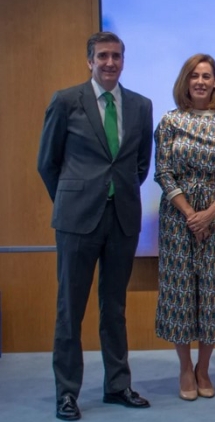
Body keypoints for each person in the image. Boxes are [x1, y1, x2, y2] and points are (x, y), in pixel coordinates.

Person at [38, 31, 153, 420]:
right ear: (90, 60)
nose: (110, 63)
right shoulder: (66, 100)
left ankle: (117, 386)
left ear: (123, 60)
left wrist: (112, 193)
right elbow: (47, 163)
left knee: (115, 307)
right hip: (76, 221)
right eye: (102, 56)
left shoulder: (140, 105)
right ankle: (67, 393)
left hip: (121, 218)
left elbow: (139, 164)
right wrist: (74, 199)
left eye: (116, 56)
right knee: (70, 310)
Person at [154, 54, 215, 401]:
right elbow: (162, 171)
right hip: (178, 217)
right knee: (180, 293)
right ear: (186, 81)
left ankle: (204, 367)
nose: (202, 82)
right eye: (195, 76)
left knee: (213, 294)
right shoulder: (170, 122)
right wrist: (192, 214)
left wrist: (210, 213)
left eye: (208, 76)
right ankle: (184, 368)